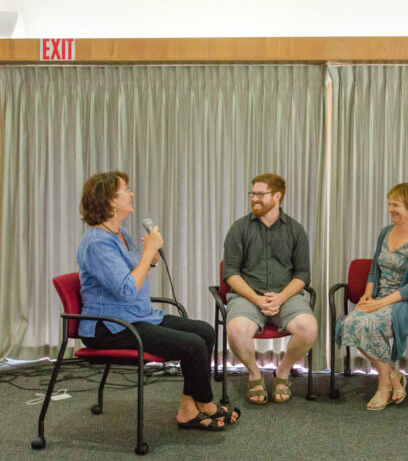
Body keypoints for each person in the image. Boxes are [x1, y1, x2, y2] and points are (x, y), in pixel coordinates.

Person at [77, 171, 238, 431]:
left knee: (205, 332)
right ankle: (206, 404)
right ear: (110, 202)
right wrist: (149, 252)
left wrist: (149, 260)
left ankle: (188, 408)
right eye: (125, 190)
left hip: (136, 316)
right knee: (193, 345)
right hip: (110, 327)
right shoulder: (96, 243)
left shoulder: (121, 234)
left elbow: (132, 276)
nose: (131, 193)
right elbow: (127, 289)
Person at [334, 183, 408, 410]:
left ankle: (383, 386)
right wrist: (368, 296)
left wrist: (380, 303)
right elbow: (374, 270)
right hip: (378, 298)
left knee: (367, 324)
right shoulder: (385, 233)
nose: (390, 209)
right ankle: (393, 376)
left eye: (395, 205)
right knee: (350, 324)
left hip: (405, 303)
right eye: (389, 204)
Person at [223, 173, 318, 405]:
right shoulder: (239, 228)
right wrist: (256, 299)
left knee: (309, 329)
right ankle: (255, 374)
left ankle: (282, 372)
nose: (254, 198)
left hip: (286, 297)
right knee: (235, 331)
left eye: (260, 194)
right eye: (252, 193)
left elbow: (303, 275)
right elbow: (231, 273)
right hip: (248, 296)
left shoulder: (295, 230)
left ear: (277, 196)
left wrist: (281, 297)